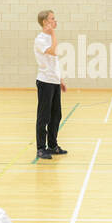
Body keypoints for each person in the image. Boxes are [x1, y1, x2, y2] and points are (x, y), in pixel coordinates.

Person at [33, 9, 67, 160]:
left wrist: (60, 80)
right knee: (44, 116)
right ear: (45, 22)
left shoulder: (49, 38)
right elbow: (53, 52)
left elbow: (54, 61)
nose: (55, 21)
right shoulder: (40, 39)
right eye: (52, 19)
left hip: (53, 81)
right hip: (44, 82)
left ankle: (52, 145)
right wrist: (53, 35)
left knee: (56, 115)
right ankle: (41, 148)